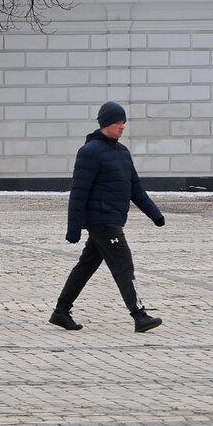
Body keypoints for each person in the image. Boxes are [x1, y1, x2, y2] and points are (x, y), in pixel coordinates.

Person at [50, 101, 165, 333]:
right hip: (102, 221)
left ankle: (61, 312)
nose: (122, 126)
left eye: (123, 122)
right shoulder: (89, 152)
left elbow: (135, 188)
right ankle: (139, 314)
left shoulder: (122, 152)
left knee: (86, 266)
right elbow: (79, 192)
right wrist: (73, 228)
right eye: (117, 122)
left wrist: (155, 214)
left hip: (113, 219)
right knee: (124, 265)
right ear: (105, 124)